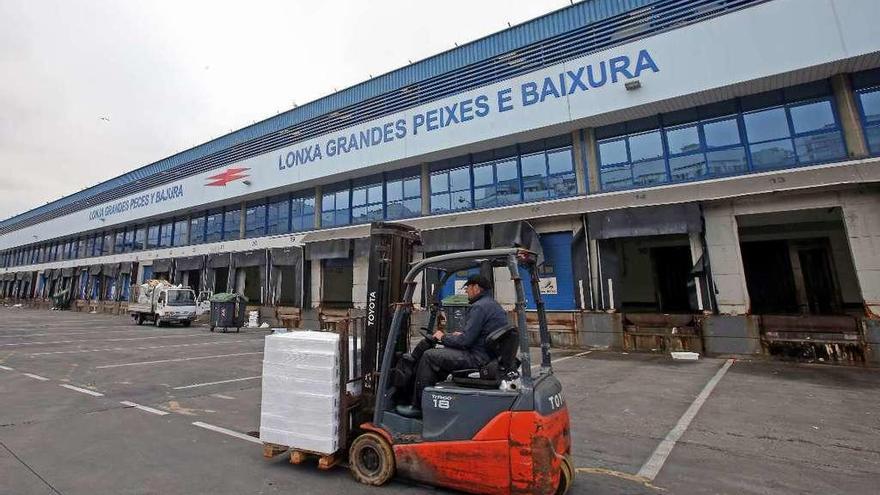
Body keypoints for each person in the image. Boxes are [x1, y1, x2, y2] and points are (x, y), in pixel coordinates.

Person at [396, 274, 508, 418]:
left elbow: (465, 342)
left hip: (477, 358)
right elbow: (474, 335)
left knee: (429, 356)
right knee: (443, 354)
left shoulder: (479, 307)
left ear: (476, 288)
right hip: (485, 355)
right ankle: (434, 396)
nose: (466, 291)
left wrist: (443, 336)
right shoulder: (492, 305)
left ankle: (418, 407)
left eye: (468, 288)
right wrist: (457, 335)